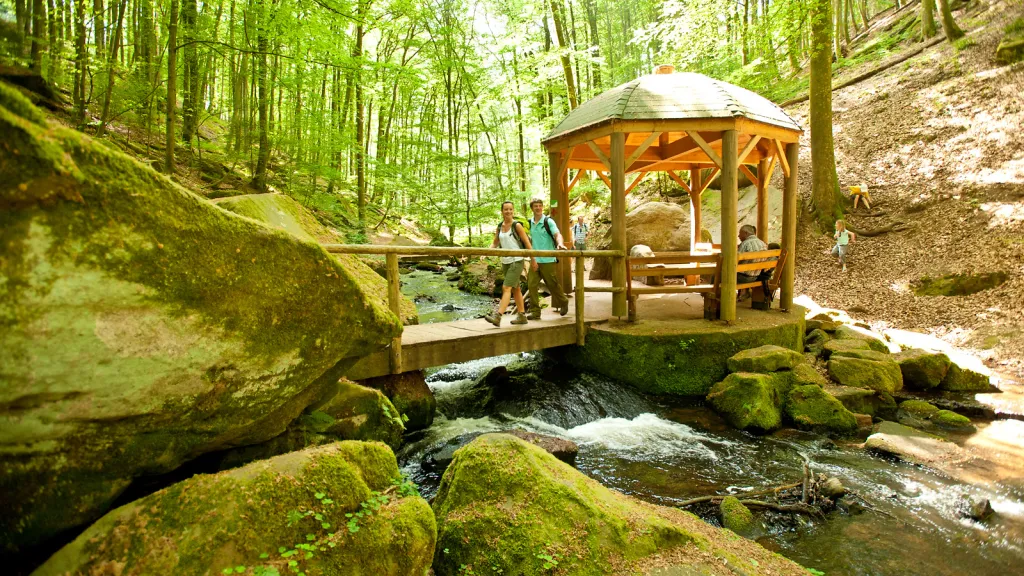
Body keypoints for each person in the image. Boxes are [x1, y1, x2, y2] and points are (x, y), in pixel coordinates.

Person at [484, 201, 533, 327]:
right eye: (506, 209)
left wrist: (533, 259)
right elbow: (495, 242)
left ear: (513, 210)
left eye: (510, 209)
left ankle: (498, 316)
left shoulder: (517, 226)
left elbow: (527, 243)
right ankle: (522, 316)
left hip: (516, 260)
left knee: (506, 288)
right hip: (505, 262)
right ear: (502, 211)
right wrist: (486, 252)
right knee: (516, 288)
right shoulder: (500, 226)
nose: (508, 211)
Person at [527, 198, 569, 320]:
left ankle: (563, 301)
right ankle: (535, 311)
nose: (538, 208)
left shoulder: (548, 221)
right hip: (535, 260)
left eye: (540, 205)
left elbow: (557, 234)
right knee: (531, 285)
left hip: (548, 260)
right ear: (532, 208)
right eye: (535, 206)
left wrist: (560, 244)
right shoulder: (529, 223)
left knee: (552, 284)